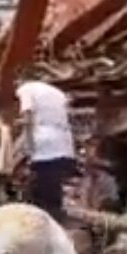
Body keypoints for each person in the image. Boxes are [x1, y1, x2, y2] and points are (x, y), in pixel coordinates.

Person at [14, 73, 76, 221]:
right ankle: (57, 219)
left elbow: (28, 116)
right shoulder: (57, 92)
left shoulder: (25, 89)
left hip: (44, 143)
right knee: (53, 185)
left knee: (40, 188)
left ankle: (42, 221)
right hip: (64, 142)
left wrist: (28, 145)